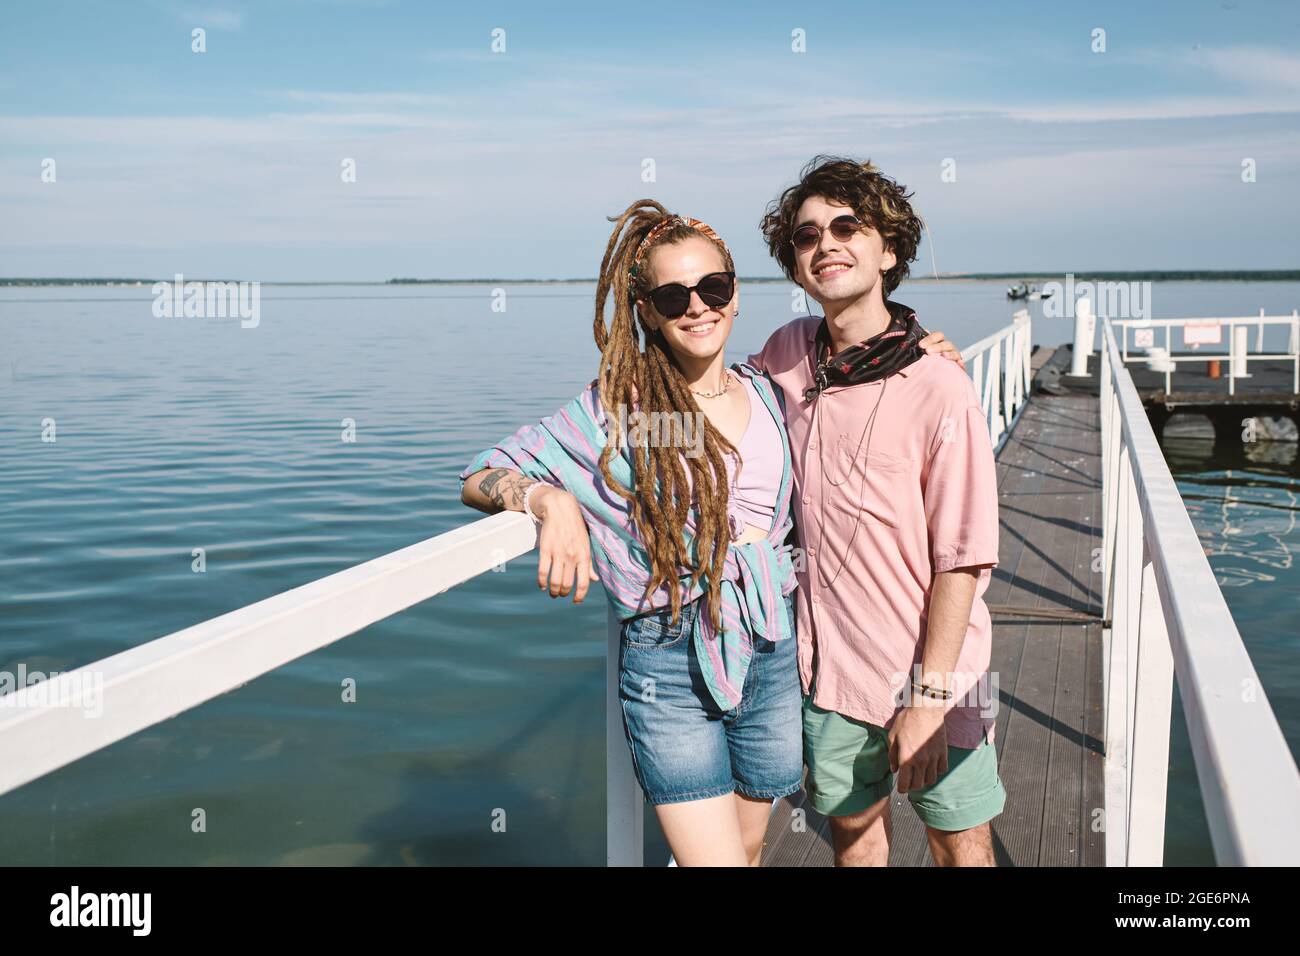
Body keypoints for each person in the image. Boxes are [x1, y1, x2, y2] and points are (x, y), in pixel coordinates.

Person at [458, 198, 964, 866]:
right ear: (646, 311)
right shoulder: (625, 408)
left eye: (712, 288)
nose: (696, 307)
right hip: (671, 655)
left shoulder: (772, 384)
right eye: (673, 296)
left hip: (772, 644)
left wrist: (920, 348)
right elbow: (484, 471)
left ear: (734, 295)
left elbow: (860, 357)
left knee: (750, 850)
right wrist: (549, 501)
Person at [748, 155, 1005, 866]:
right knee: (857, 845)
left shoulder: (940, 387)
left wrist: (928, 695)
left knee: (962, 846)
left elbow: (964, 557)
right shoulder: (786, 353)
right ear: (797, 266)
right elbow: (712, 399)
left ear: (887, 250)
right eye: (806, 236)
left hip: (933, 671)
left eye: (846, 226)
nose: (824, 243)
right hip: (829, 671)